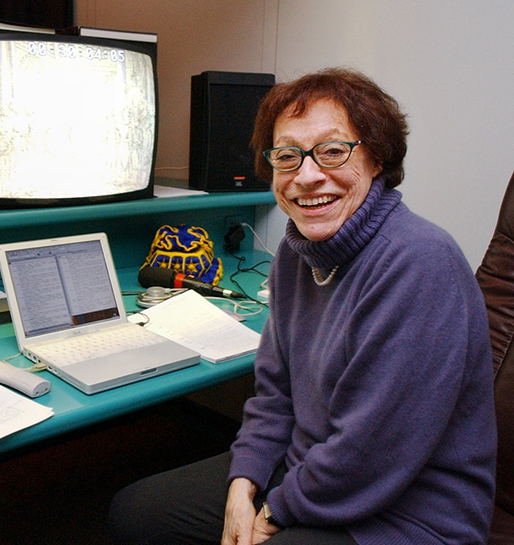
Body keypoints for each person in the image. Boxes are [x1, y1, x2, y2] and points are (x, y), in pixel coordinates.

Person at [107, 67, 497, 544]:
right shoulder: (297, 254)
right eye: (288, 156)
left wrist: (271, 515)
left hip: (409, 512)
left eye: (332, 151)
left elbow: (370, 451)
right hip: (311, 469)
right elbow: (275, 395)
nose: (307, 176)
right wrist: (244, 482)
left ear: (377, 158)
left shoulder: (420, 262)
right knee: (137, 512)